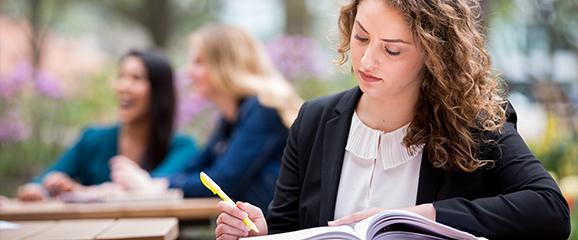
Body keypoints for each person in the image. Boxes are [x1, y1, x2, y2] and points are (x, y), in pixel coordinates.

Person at [214, 0, 571, 239]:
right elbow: (289, 228)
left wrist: (419, 216)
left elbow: (550, 209)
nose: (367, 61)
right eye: (361, 37)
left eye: (392, 49)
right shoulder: (314, 120)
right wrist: (260, 231)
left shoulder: (475, 121)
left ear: (433, 55)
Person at [110, 24, 303, 212]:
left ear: (225, 65)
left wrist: (156, 186)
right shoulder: (230, 119)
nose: (188, 72)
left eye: (198, 62)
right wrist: (148, 183)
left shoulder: (262, 110)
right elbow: (197, 167)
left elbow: (223, 180)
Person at [17, 49, 199, 201]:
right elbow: (46, 178)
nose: (123, 86)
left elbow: (152, 189)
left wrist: (81, 193)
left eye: (136, 78)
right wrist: (43, 187)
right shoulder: (93, 139)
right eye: (121, 76)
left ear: (159, 91)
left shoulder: (182, 147)